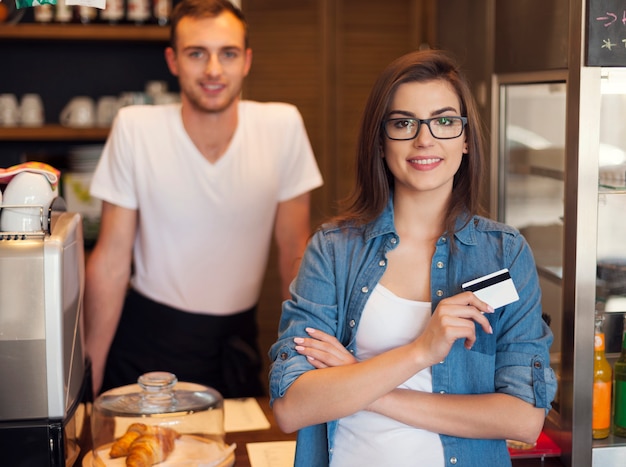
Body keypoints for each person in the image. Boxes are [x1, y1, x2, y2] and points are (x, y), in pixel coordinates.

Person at [268, 49, 557, 467]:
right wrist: (420, 351)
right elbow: (293, 408)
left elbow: (523, 419)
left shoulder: (504, 254)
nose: (425, 139)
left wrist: (361, 382)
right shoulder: (333, 250)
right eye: (404, 123)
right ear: (380, 141)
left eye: (443, 121)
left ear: (466, 140)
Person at [84, 0, 323, 399]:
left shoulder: (282, 126)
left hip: (234, 344)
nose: (213, 70)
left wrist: (299, 365)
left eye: (227, 53)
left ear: (246, 60)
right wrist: (87, 383)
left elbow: (294, 255)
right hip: (145, 344)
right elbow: (110, 261)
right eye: (197, 53)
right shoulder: (135, 128)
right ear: (173, 60)